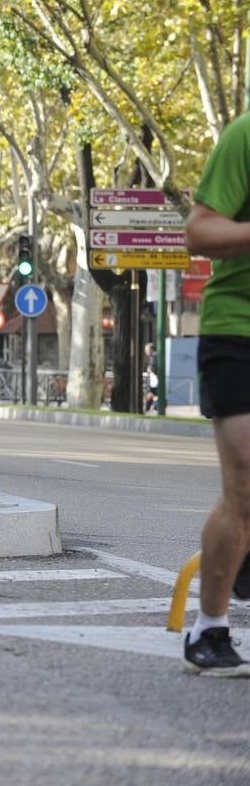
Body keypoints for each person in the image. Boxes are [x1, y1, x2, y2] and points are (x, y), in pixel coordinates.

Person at [183, 111, 250, 676]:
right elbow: (201, 231)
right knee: (245, 481)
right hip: (239, 329)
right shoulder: (245, 134)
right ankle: (209, 629)